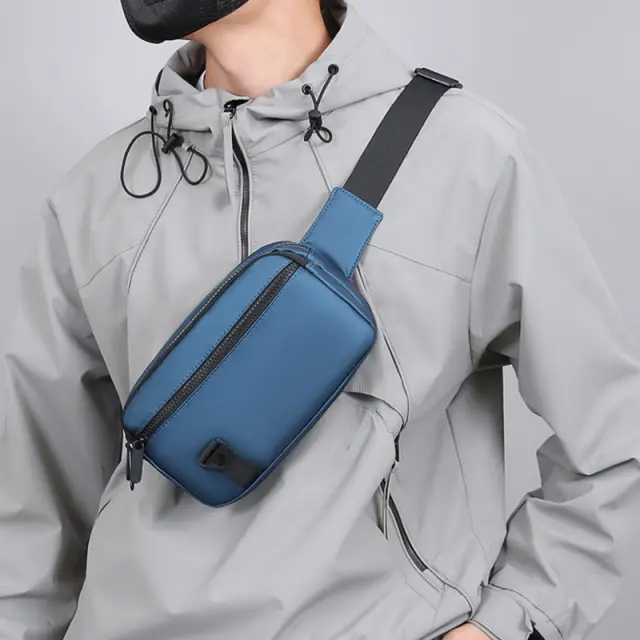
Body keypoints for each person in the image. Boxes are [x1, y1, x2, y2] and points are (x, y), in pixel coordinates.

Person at [1, 0, 638, 638]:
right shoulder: (94, 196)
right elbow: (29, 512)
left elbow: (614, 439)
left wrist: (509, 622)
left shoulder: (467, 157)